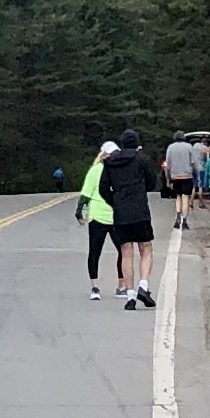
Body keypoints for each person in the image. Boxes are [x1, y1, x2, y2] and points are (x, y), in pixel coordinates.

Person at [98, 128, 159, 310]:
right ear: (137, 143)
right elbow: (151, 182)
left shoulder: (110, 162)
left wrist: (115, 201)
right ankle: (143, 286)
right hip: (139, 209)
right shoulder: (141, 159)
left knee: (126, 252)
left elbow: (103, 188)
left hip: (121, 212)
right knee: (145, 248)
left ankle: (130, 296)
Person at [78, 142, 115, 294]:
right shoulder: (95, 170)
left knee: (123, 251)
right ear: (104, 155)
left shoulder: (117, 170)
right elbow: (86, 193)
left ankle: (121, 285)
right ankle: (95, 286)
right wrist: (80, 211)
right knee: (95, 251)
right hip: (98, 215)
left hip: (115, 216)